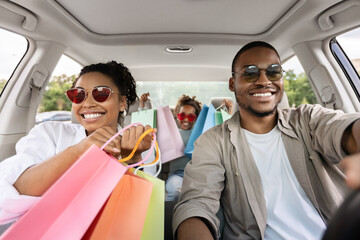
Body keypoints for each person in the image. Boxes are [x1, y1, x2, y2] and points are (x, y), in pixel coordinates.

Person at [173, 41, 360, 240]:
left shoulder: (308, 119)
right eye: (250, 72)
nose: (264, 80)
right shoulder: (213, 142)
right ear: (232, 83)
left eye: (274, 72)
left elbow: (345, 129)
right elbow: (196, 204)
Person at [0, 61, 154, 224]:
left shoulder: (143, 147)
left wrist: (132, 160)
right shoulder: (50, 133)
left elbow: (140, 211)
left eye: (101, 93)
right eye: (78, 95)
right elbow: (10, 194)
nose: (87, 103)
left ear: (122, 102)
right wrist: (78, 151)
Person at [139, 93, 202, 201]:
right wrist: (143, 107)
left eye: (191, 116)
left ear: (196, 118)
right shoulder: (168, 133)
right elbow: (146, 129)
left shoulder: (201, 133)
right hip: (176, 175)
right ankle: (167, 217)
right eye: (182, 115)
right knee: (175, 192)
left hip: (197, 176)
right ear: (177, 115)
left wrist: (226, 113)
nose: (186, 119)